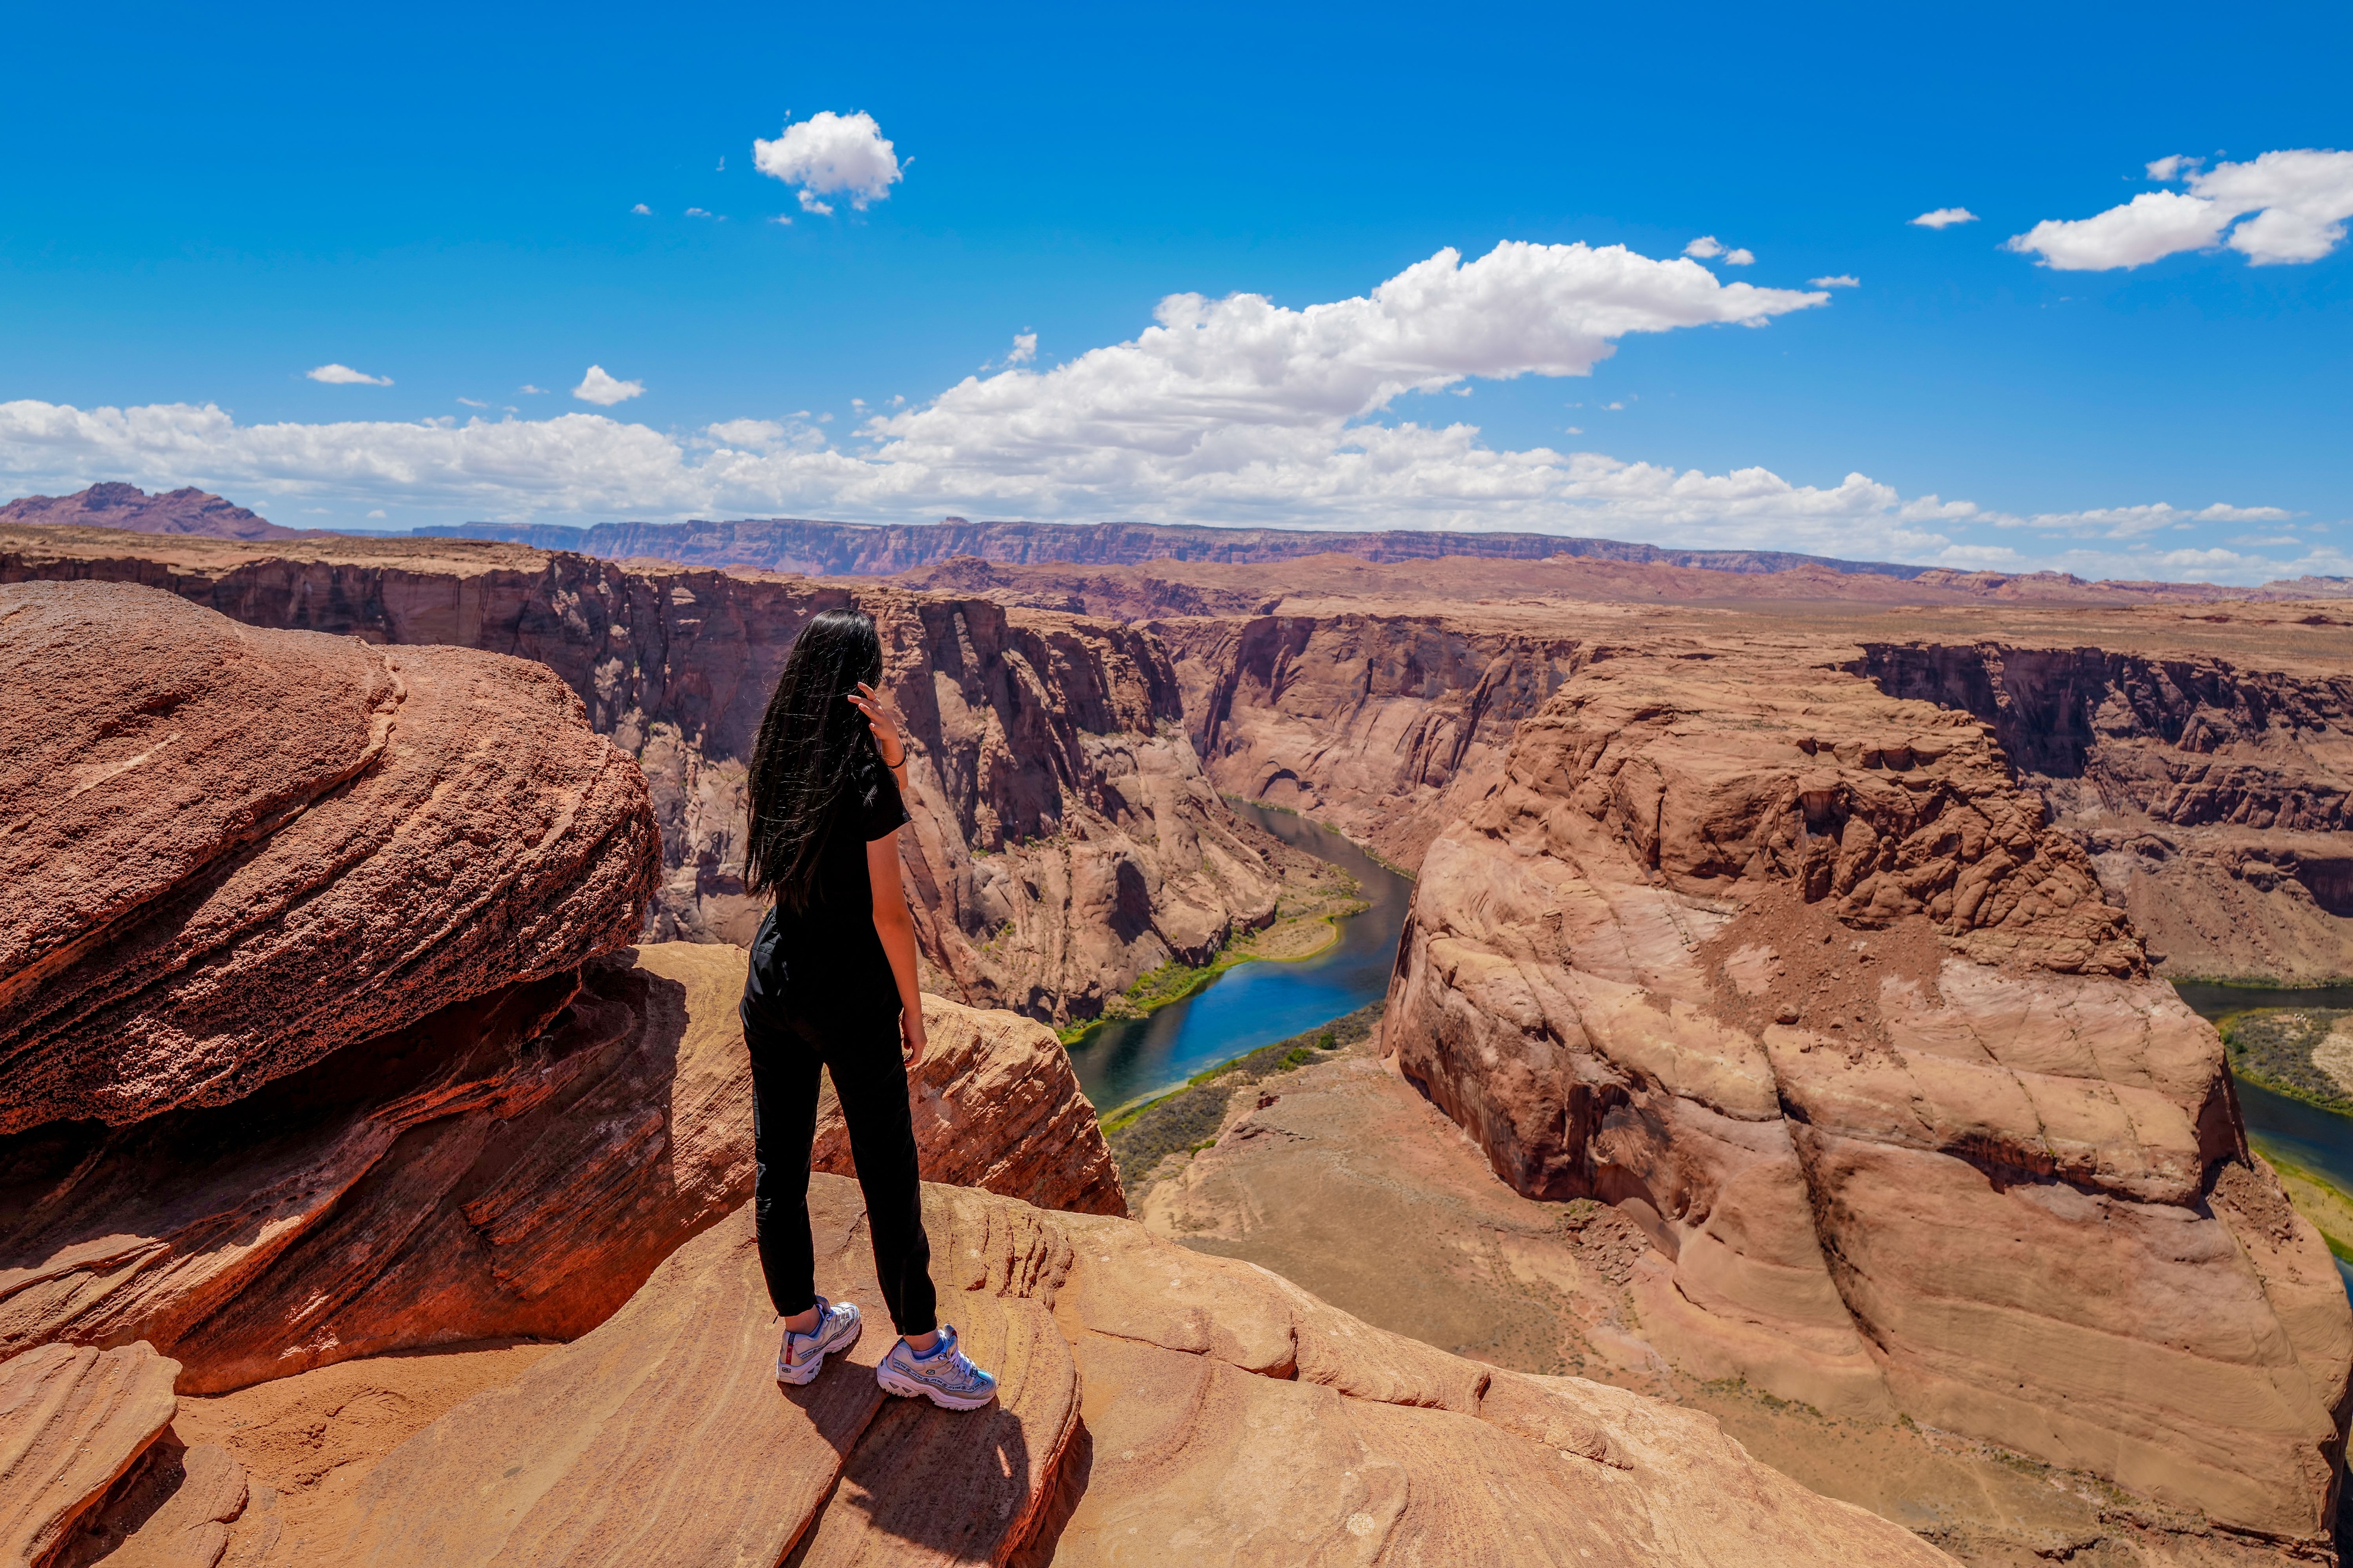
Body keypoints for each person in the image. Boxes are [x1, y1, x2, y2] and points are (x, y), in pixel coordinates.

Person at [737, 608, 997, 1411]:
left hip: (774, 981)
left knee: (777, 1164)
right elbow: (890, 913)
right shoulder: (859, 781)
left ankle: (803, 1327)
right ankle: (920, 1351)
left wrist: (895, 757)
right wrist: (913, 1011)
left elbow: (857, 827)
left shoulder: (779, 757)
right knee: (887, 1172)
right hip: (848, 997)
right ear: (861, 684)